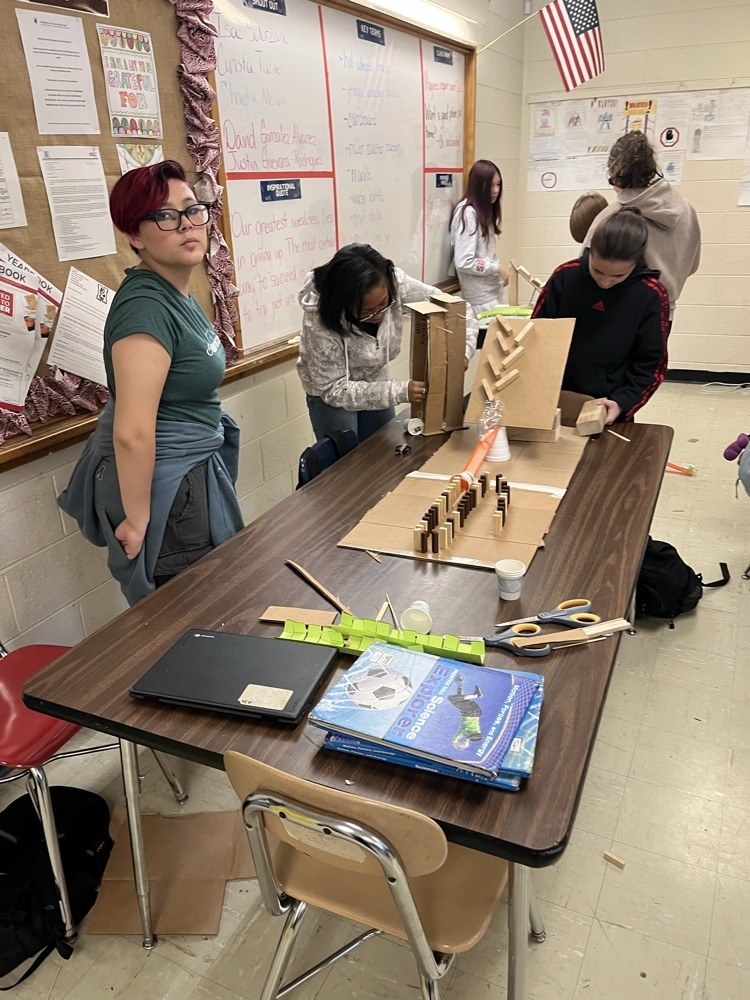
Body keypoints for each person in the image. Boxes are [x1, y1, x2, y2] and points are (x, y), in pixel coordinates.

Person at [58, 160, 244, 605]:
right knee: (192, 621)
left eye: (192, 209)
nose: (186, 225)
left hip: (187, 472)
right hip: (169, 492)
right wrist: (139, 519)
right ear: (135, 235)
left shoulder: (174, 290)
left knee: (211, 612)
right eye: (164, 215)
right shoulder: (145, 306)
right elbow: (133, 430)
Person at [297, 243, 477, 443]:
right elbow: (333, 389)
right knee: (346, 464)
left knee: (381, 450)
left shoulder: (394, 283)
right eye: (365, 311)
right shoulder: (318, 320)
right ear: (343, 302)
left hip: (376, 380)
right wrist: (398, 391)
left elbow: (459, 310)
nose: (378, 315)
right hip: (333, 397)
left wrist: (463, 351)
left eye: (384, 304)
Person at [533, 208, 670, 424]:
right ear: (589, 252)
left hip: (608, 403)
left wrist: (623, 402)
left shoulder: (650, 294)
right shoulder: (565, 277)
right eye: (597, 271)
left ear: (636, 263)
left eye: (618, 276)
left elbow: (651, 362)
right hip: (555, 395)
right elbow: (537, 337)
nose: (605, 282)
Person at [583, 131, 700, 320]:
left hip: (619, 311)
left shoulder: (612, 216)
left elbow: (586, 266)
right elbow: (693, 266)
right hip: (663, 312)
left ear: (613, 171)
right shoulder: (687, 209)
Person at [449, 159, 509, 322]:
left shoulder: (483, 209)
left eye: (498, 184)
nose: (496, 191)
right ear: (478, 186)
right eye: (490, 186)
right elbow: (464, 262)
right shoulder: (467, 214)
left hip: (493, 292)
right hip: (481, 299)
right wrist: (496, 268)